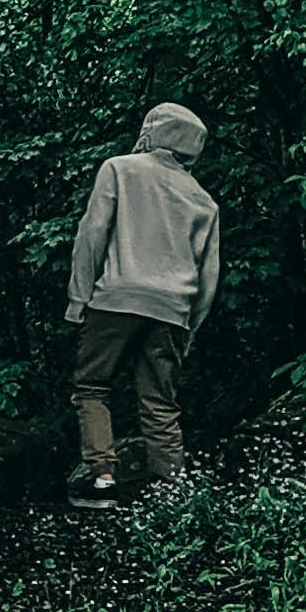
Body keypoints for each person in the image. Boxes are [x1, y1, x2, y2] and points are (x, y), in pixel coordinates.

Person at [65, 101, 220, 505]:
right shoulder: (203, 200)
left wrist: (79, 299)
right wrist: (190, 326)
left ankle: (102, 480)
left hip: (116, 298)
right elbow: (209, 276)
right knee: (160, 401)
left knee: (91, 385)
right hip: (173, 310)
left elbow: (92, 236)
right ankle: (172, 494)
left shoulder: (119, 169)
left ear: (151, 131)